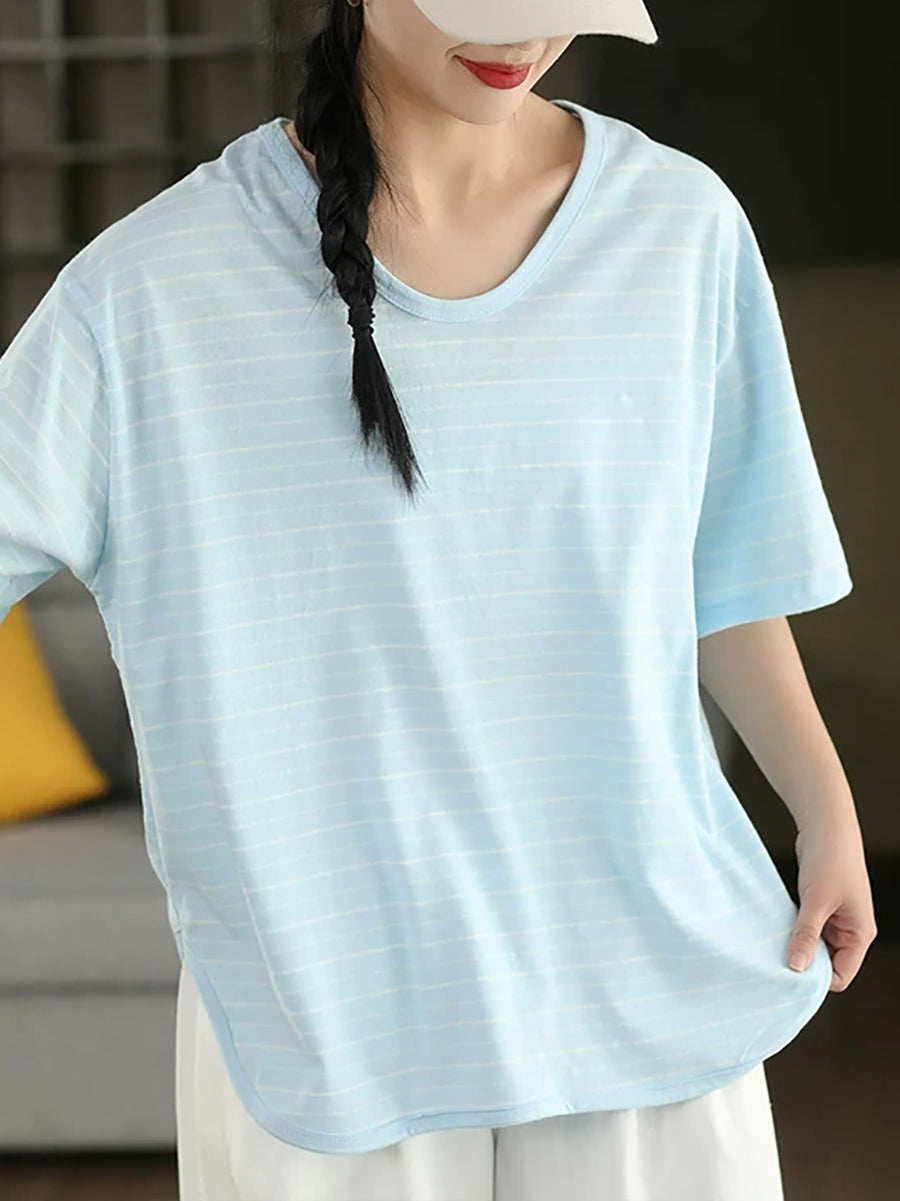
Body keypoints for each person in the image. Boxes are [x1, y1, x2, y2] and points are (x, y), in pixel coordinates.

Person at [0, 0, 877, 1198]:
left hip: (643, 963)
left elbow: (724, 572)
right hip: (329, 1006)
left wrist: (824, 809)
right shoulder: (147, 292)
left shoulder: (680, 227)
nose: (522, 36)